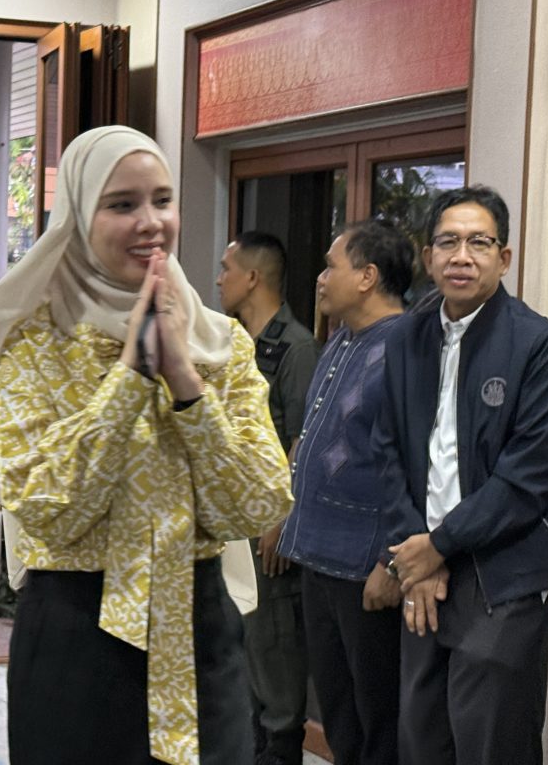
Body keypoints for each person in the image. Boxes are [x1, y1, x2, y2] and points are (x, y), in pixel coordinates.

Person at [0, 126, 293, 765]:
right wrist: (129, 379)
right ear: (77, 216)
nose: (150, 222)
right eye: (122, 204)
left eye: (162, 200)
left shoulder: (219, 345)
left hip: (200, 635)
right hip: (74, 640)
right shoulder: (34, 346)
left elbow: (259, 501)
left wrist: (185, 383)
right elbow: (48, 506)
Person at [375, 186, 548, 765]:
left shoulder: (539, 344)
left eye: (479, 242)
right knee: (421, 736)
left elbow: (528, 477)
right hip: (424, 567)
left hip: (503, 571)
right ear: (428, 256)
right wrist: (414, 552)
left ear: (503, 258)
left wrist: (439, 545)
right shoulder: (405, 339)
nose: (461, 256)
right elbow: (387, 452)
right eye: (448, 242)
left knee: (491, 739)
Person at [278, 219, 413, 765]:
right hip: (318, 555)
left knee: (379, 718)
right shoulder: (340, 341)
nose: (320, 277)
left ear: (367, 277)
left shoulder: (406, 347)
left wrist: (391, 561)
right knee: (339, 715)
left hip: (366, 566)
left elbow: (416, 466)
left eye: (331, 265)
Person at [217, 231, 319, 765]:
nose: (219, 279)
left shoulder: (297, 348)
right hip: (234, 529)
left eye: (227, 268)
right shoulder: (233, 344)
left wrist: (284, 520)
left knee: (275, 664)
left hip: (270, 535)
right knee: (245, 664)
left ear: (253, 277)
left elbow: (305, 441)